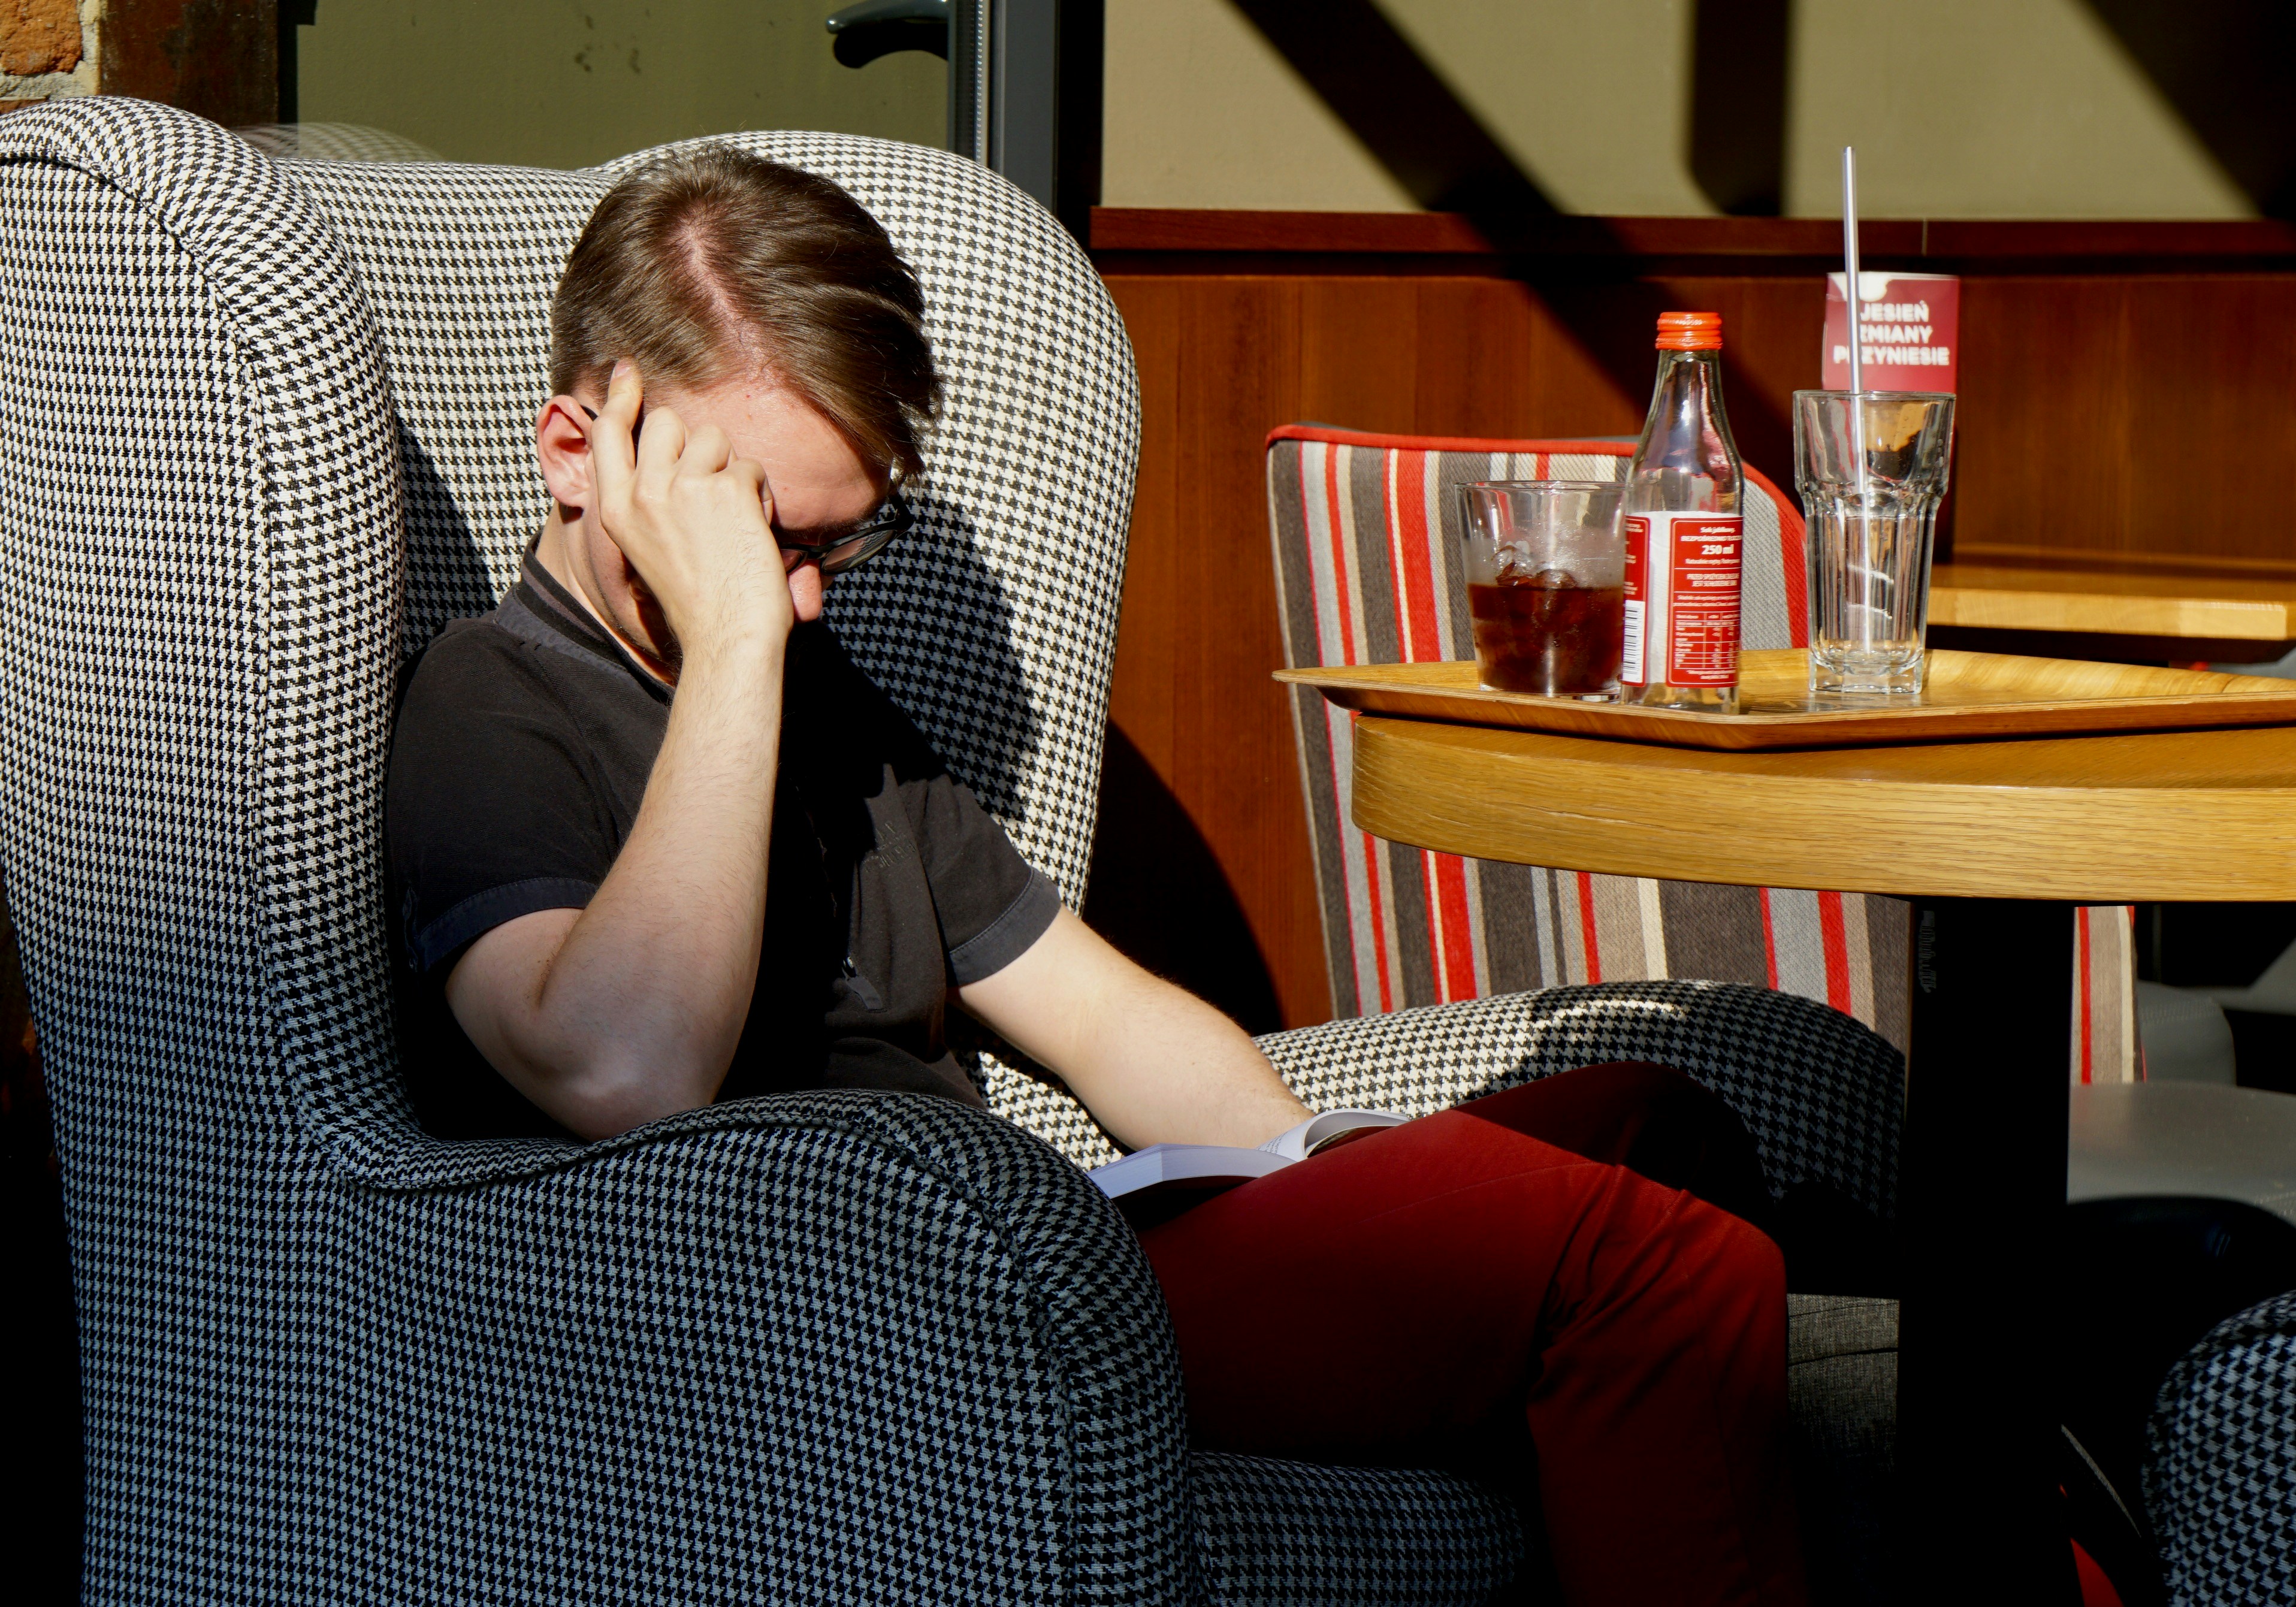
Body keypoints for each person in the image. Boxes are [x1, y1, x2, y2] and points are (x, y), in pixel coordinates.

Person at [386, 147, 1805, 1607]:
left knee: (1653, 1121)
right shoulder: (489, 710)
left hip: (1055, 1251)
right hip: (874, 1316)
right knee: (1653, 1270)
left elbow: (1097, 1015)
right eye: (760, 541)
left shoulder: (832, 714)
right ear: (580, 453)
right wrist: (734, 650)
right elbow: (623, 1073)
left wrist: (1316, 1173)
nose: (799, 598)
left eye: (834, 546)